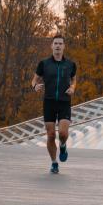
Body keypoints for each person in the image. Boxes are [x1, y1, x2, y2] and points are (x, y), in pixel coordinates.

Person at [31, 34, 77, 174]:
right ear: (51, 46)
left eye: (60, 43)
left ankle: (63, 145)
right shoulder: (44, 64)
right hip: (49, 102)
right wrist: (35, 86)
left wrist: (73, 87)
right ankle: (54, 163)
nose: (58, 46)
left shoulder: (70, 64)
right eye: (55, 43)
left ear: (64, 47)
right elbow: (34, 80)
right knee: (51, 135)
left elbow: (74, 80)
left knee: (63, 133)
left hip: (64, 102)